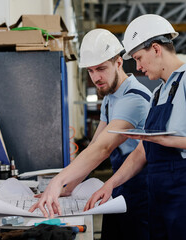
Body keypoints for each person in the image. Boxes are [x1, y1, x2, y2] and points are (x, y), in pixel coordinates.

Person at [85, 14, 186, 240]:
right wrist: (110, 186)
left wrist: (171, 140)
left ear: (156, 49)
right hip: (161, 196)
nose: (138, 66)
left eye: (138, 58)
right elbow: (142, 152)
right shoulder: (158, 93)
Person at [29, 29, 151, 240]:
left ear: (119, 63)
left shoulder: (135, 99)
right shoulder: (110, 97)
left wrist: (57, 182)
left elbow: (105, 148)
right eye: (91, 71)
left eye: (101, 69)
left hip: (142, 193)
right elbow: (95, 145)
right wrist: (70, 186)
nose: (96, 77)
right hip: (117, 188)